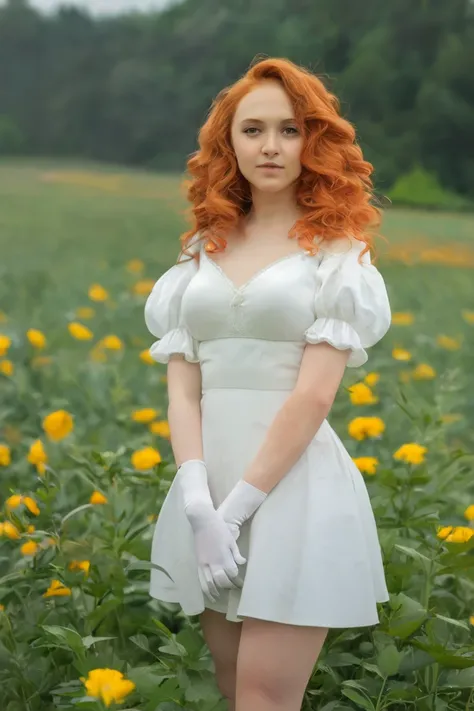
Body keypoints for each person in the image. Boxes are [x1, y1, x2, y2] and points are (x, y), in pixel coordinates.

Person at [144, 56, 392, 711]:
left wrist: (234, 511)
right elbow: (183, 388)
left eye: (289, 130)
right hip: (209, 485)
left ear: (313, 141)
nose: (271, 146)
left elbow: (314, 395)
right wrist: (199, 500)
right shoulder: (202, 249)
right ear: (227, 142)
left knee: (263, 698)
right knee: (232, 691)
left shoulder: (337, 256)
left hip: (290, 493)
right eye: (253, 130)